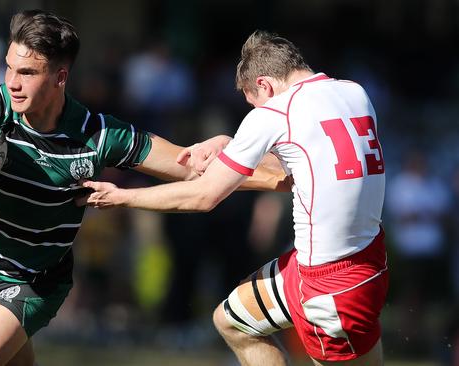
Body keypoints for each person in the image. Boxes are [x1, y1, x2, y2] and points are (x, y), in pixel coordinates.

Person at [0, 10, 285, 366]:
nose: (13, 82)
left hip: (33, 281)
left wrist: (285, 176)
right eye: (9, 68)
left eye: (28, 73)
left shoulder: (97, 135)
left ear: (61, 76)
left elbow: (194, 171)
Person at [83, 30, 388, 365]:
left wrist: (123, 197)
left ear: (265, 85)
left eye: (252, 102)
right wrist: (232, 145)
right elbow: (305, 159)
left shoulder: (272, 114)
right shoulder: (353, 92)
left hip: (326, 286)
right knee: (231, 320)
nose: (253, 111)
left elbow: (203, 196)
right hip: (362, 261)